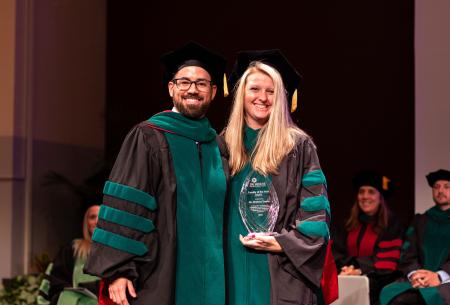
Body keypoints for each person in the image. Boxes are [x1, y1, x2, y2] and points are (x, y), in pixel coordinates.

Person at [83, 42, 229, 305]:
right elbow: (128, 205)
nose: (192, 89)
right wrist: (120, 270)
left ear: (213, 91)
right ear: (171, 88)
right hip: (161, 276)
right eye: (184, 82)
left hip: (213, 278)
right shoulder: (149, 137)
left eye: (202, 83)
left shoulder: (217, 146)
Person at [223, 49, 334, 305]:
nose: (262, 97)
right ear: (241, 93)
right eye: (254, 89)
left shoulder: (298, 146)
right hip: (233, 266)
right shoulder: (222, 145)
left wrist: (280, 244)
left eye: (271, 91)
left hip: (282, 268)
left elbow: (315, 216)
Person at [332, 170, 403, 305]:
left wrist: (359, 269)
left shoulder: (391, 224)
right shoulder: (348, 223)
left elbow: (387, 261)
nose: (365, 196)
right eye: (361, 192)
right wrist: (347, 268)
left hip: (379, 280)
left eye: (371, 192)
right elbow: (337, 251)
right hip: (346, 276)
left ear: (380, 197)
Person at [380, 169, 450, 305]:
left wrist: (438, 276)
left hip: (446, 280)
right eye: (436, 187)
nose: (440, 191)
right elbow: (407, 254)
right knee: (391, 294)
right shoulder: (420, 221)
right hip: (418, 279)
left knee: (419, 299)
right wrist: (415, 275)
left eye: (447, 187)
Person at [47, 204, 100, 305]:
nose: (97, 221)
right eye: (92, 217)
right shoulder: (72, 248)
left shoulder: (114, 252)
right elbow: (57, 279)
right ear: (86, 222)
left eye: (101, 217)